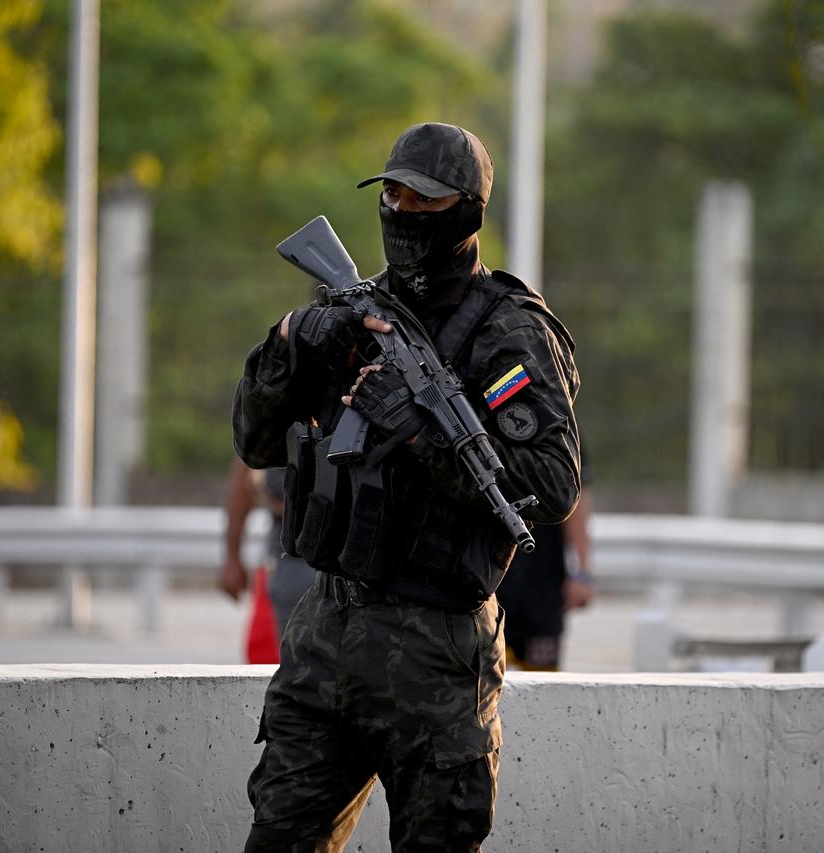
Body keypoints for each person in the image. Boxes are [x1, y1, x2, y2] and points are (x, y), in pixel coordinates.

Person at [232, 121, 581, 851]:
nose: (402, 211)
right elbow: (255, 441)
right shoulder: (352, 312)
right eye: (392, 193)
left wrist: (419, 429)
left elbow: (550, 487)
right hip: (328, 632)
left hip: (438, 648)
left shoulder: (508, 333)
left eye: (425, 200)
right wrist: (294, 342)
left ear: (469, 212)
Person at [219, 458, 316, 648]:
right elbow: (244, 475)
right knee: (298, 660)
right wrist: (232, 557)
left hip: (363, 559)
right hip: (295, 559)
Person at [496, 484, 593, 671]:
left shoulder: (570, 454)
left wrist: (582, 574)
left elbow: (577, 499)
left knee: (543, 679)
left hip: (542, 586)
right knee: (484, 681)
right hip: (490, 582)